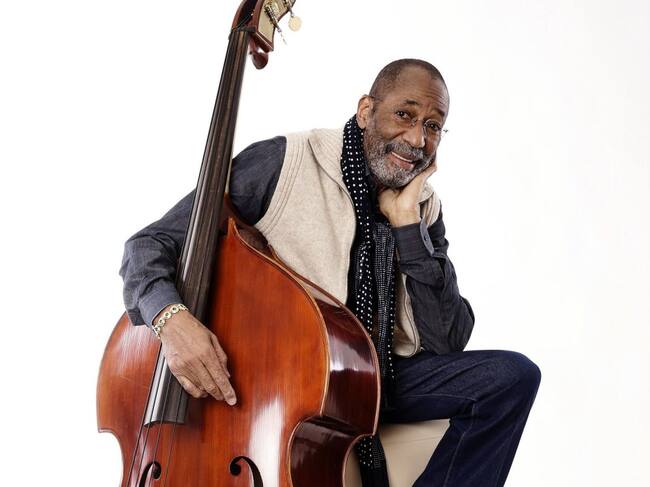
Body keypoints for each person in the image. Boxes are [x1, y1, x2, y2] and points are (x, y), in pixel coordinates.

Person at [119, 59, 541, 487]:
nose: (418, 139)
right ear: (366, 110)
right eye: (405, 114)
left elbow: (447, 341)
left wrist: (407, 228)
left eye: (433, 126)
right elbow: (149, 244)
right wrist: (171, 321)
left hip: (375, 376)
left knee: (512, 378)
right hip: (282, 374)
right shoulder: (284, 162)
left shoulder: (422, 206)